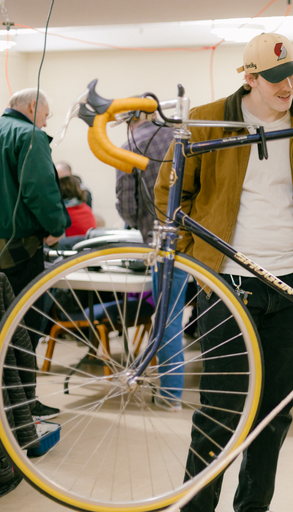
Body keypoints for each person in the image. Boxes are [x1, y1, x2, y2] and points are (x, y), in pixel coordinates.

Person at [155, 32, 293, 511]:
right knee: (221, 410)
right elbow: (169, 198)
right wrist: (204, 255)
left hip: (291, 286)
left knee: (275, 415)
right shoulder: (208, 124)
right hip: (227, 287)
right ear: (250, 78)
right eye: (277, 78)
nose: (288, 86)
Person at [0, 87, 70, 420]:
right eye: (46, 115)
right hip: (20, 246)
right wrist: (57, 225)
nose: (47, 122)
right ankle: (23, 403)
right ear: (32, 107)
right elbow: (40, 189)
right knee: (26, 325)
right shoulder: (29, 135)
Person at [113, 112, 184, 412]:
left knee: (167, 319)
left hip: (162, 240)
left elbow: (126, 202)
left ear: (132, 117)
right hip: (198, 236)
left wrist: (140, 224)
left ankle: (170, 396)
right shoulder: (181, 137)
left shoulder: (130, 143)